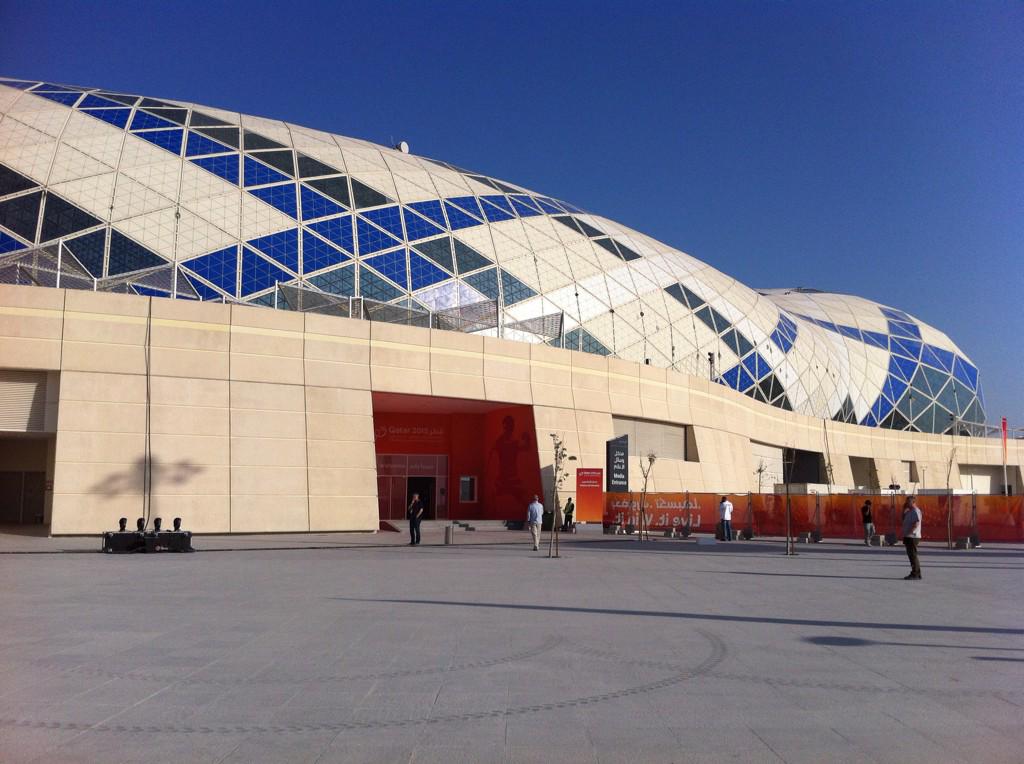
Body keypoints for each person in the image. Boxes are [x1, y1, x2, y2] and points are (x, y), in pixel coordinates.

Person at [901, 496, 922, 580]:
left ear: (913, 502)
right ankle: (916, 572)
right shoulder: (909, 511)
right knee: (911, 555)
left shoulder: (916, 511)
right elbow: (902, 519)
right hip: (908, 536)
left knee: (913, 555)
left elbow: (916, 523)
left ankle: (915, 573)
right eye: (906, 501)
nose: (906, 503)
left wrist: (910, 532)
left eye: (908, 502)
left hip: (912, 536)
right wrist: (903, 510)